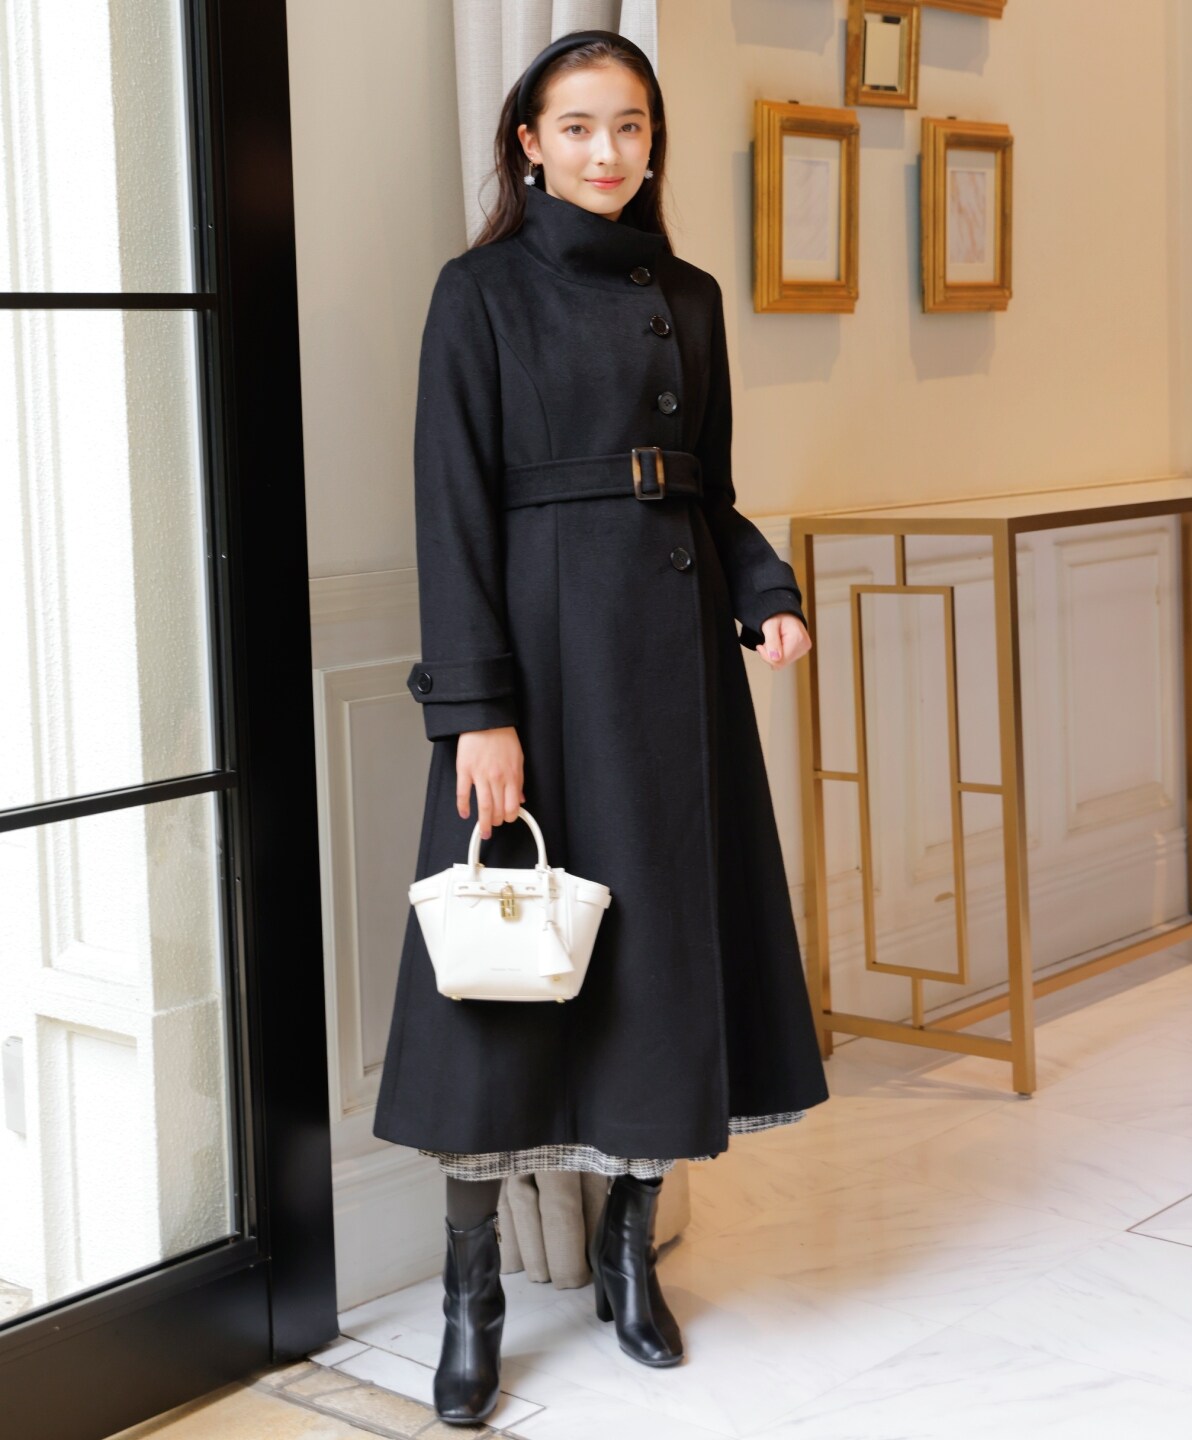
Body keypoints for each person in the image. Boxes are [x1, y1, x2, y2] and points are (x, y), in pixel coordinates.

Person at [373, 28, 831, 1426]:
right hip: (535, 667)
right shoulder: (478, 294)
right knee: (491, 985)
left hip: (668, 673)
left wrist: (765, 590)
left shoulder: (686, 295)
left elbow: (708, 487)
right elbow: (449, 514)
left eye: (629, 125)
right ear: (528, 142)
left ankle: (630, 1252)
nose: (607, 151)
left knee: (656, 968)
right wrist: (477, 715)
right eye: (577, 126)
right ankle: (472, 1290)